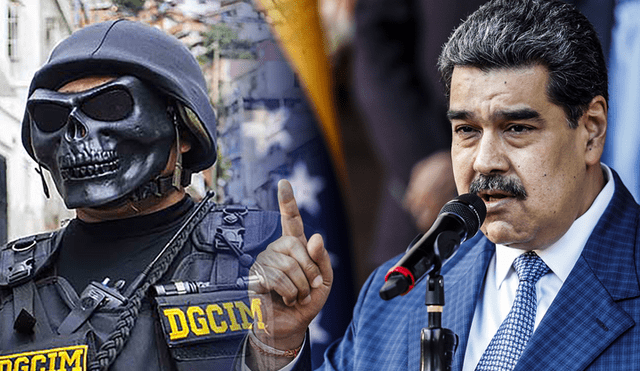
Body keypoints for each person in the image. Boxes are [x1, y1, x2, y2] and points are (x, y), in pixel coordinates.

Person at [245, 0, 640, 369]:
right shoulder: (394, 298)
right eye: (467, 130)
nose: (485, 161)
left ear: (591, 131)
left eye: (517, 128)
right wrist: (277, 346)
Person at [0, 19, 325, 371]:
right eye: (53, 115)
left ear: (182, 131)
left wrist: (275, 348)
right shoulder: (8, 280)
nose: (76, 134)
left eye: (109, 107)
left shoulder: (261, 259)